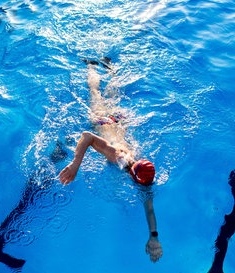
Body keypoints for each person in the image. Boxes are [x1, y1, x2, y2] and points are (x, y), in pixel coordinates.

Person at [58, 58, 163, 262]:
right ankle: (91, 66)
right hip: (102, 121)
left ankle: (110, 68)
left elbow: (149, 209)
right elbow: (87, 136)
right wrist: (74, 165)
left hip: (118, 121)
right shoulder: (117, 156)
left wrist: (154, 236)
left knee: (112, 95)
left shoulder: (138, 170)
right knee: (95, 92)